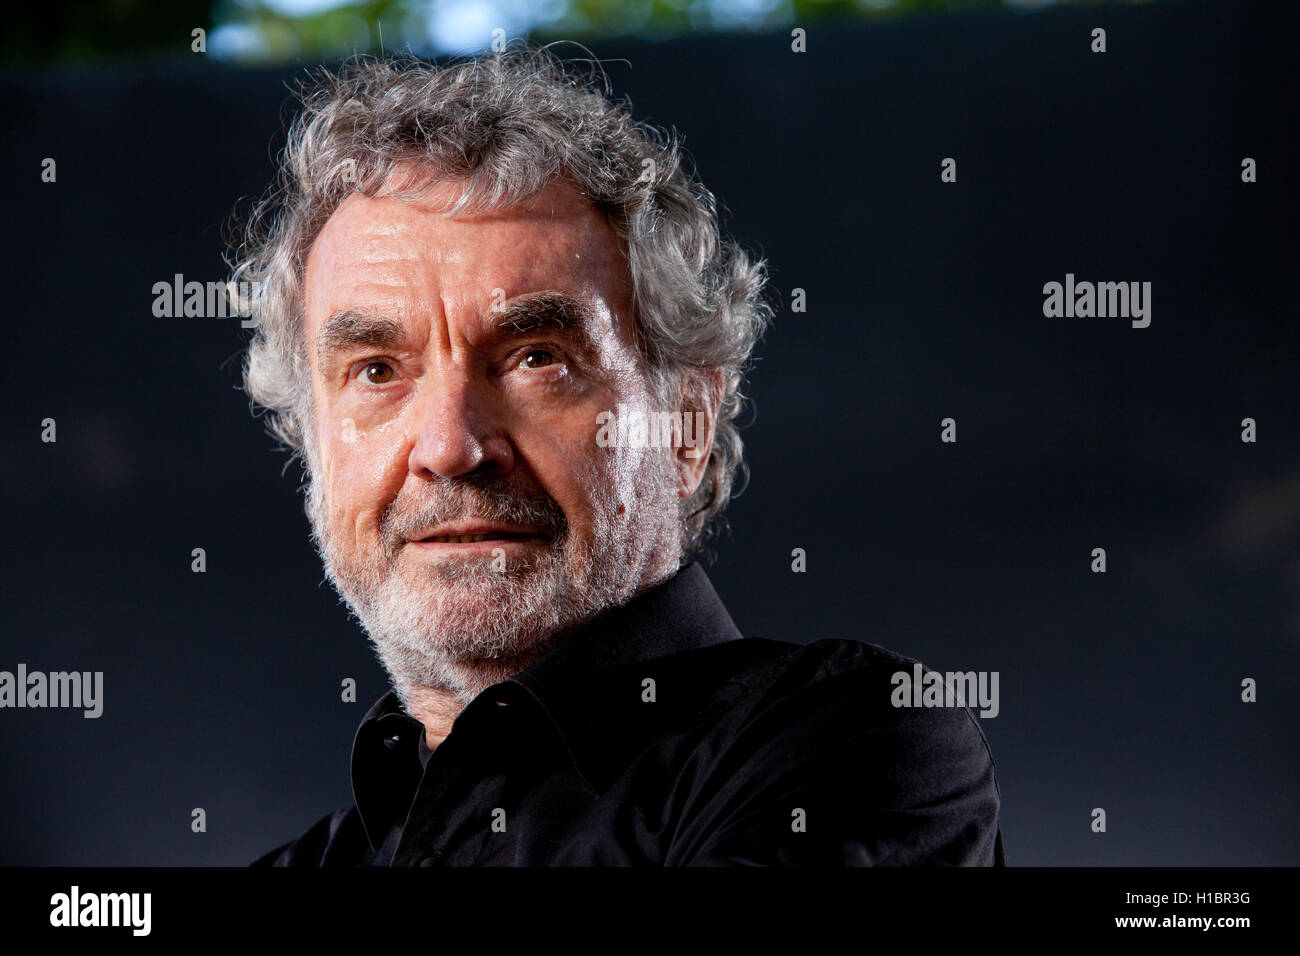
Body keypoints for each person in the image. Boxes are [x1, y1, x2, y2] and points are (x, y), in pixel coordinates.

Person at [231, 44, 1004, 866]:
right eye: (377, 371)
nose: (450, 446)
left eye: (537, 358)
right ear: (312, 443)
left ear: (687, 424)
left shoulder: (857, 747)